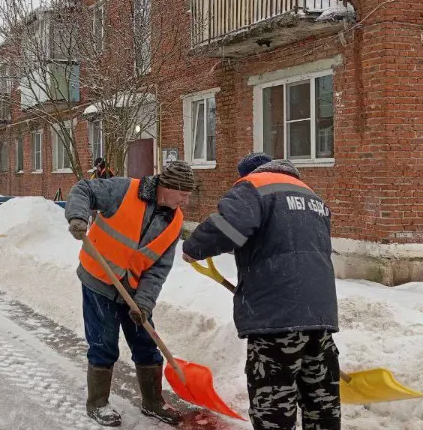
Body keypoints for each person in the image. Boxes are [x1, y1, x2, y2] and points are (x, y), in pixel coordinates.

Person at [182, 153, 340, 430]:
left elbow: (229, 224)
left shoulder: (254, 186)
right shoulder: (311, 196)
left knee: (274, 404)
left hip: (277, 316)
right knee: (320, 400)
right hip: (320, 313)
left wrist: (193, 248)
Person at [64, 160, 196, 427]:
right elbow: (83, 190)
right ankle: (98, 403)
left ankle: (153, 402)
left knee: (147, 343)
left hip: (133, 289)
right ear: (167, 187)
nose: (186, 199)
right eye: (183, 193)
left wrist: (144, 304)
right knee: (104, 343)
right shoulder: (125, 190)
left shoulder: (175, 220)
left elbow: (158, 269)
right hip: (99, 279)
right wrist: (78, 216)